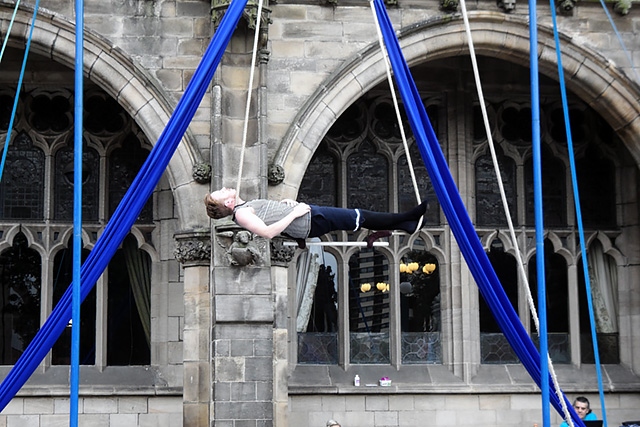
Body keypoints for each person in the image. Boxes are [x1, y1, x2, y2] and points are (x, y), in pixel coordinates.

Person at [204, 187, 427, 248]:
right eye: (222, 193)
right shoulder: (241, 214)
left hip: (306, 217)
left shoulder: (245, 207)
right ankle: (407, 218)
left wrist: (285, 206)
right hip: (308, 220)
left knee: (360, 217)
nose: (225, 188)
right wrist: (294, 212)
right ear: (228, 204)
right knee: (360, 216)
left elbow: (269, 218)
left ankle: (406, 223)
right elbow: (268, 233)